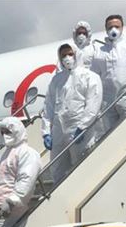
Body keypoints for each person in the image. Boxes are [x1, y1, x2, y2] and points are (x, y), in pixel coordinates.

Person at [42, 44, 103, 183]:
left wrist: (83, 126)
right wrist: (46, 132)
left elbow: (93, 103)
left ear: (77, 54)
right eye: (63, 55)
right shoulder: (57, 80)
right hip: (58, 130)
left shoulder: (89, 76)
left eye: (70, 54)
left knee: (83, 168)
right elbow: (48, 106)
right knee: (57, 169)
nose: (67, 58)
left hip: (79, 130)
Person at [91, 14, 126, 134]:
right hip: (107, 101)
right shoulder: (100, 52)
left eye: (117, 26)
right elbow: (94, 77)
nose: (113, 30)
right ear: (106, 29)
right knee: (111, 134)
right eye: (110, 27)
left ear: (122, 27)